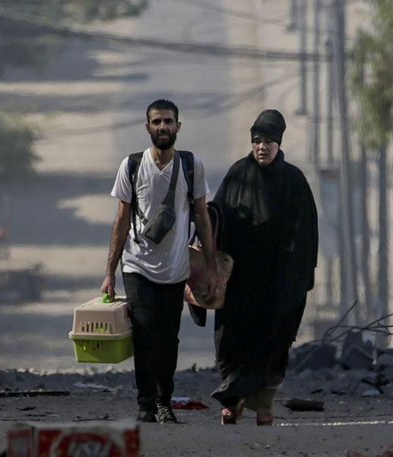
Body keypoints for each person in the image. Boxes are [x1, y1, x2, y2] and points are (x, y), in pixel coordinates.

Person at [102, 99, 216, 424]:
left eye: (168, 121)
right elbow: (121, 221)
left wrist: (210, 266)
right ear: (147, 127)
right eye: (157, 122)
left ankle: (165, 399)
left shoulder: (192, 166)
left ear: (178, 127)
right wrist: (109, 272)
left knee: (169, 339)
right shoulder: (132, 166)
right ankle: (146, 405)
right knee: (143, 333)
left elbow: (202, 217)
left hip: (175, 268)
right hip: (137, 265)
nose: (163, 127)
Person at [209, 109, 318, 425]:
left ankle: (263, 406)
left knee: (273, 342)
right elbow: (217, 218)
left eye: (269, 141)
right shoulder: (238, 174)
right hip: (240, 281)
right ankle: (231, 401)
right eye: (257, 140)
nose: (262, 147)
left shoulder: (294, 180)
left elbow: (306, 233)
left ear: (279, 143)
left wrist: (296, 277)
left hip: (279, 281)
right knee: (231, 342)